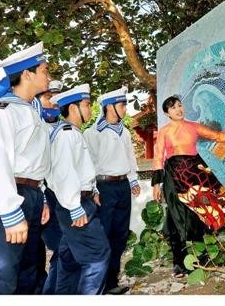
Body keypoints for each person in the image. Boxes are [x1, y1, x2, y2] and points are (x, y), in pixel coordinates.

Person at [0, 42, 52, 294]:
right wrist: (10, 212)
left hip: (29, 195)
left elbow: (34, 164)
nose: (49, 76)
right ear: (27, 74)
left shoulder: (30, 112)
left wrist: (41, 197)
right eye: (44, 70)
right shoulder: (3, 110)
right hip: (5, 199)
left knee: (28, 276)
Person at [151, 95, 225, 277]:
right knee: (176, 219)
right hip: (173, 178)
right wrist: (156, 185)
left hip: (195, 177)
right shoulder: (164, 131)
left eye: (179, 105)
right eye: (173, 107)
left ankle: (199, 259)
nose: (178, 109)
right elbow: (158, 157)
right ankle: (179, 263)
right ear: (167, 113)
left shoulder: (193, 126)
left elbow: (218, 136)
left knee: (198, 218)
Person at [47, 84, 110, 294]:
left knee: (70, 260)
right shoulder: (66, 134)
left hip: (79, 201)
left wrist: (93, 191)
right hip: (76, 205)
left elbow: (81, 170)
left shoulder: (73, 132)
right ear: (73, 108)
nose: (91, 109)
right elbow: (64, 174)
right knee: (97, 257)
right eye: (87, 104)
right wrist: (75, 207)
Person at [83, 86, 140, 294]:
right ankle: (100, 283)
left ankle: (112, 282)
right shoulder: (92, 133)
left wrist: (133, 181)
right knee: (105, 234)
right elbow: (89, 164)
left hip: (122, 186)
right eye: (122, 105)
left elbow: (130, 157)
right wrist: (93, 189)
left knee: (120, 234)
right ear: (109, 107)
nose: (125, 109)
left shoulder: (125, 132)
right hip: (104, 187)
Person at [35, 79, 64, 294]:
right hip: (41, 196)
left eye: (56, 98)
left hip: (63, 196)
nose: (53, 102)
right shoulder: (35, 128)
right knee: (58, 248)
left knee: (64, 249)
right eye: (48, 97)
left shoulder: (65, 129)